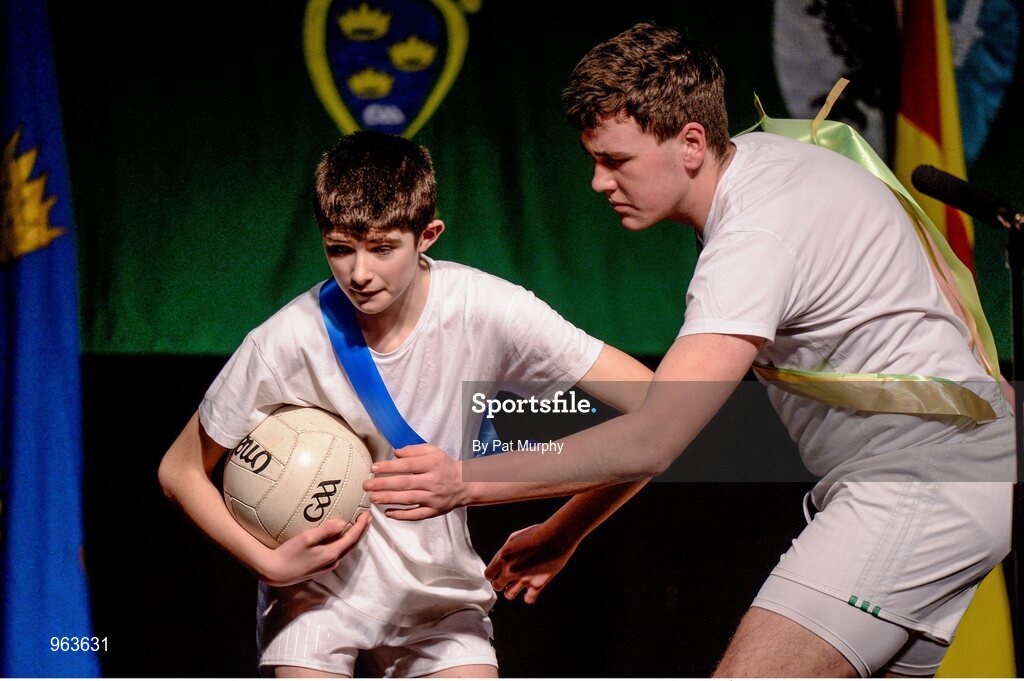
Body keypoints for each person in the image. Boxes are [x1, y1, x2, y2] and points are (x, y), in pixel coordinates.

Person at [366, 23, 1015, 677]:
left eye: (615, 160)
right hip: (955, 478)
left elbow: (654, 437)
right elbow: (666, 418)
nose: (597, 182)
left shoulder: (754, 235)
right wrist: (567, 527)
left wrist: (463, 479)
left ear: (693, 143)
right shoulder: (767, 165)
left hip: (919, 485)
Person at [157, 131, 653, 677]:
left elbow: (662, 415)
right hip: (314, 599)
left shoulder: (488, 310)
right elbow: (179, 470)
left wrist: (564, 532)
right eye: (340, 248)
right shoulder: (285, 342)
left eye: (382, 247)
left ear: (427, 235)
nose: (359, 273)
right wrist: (269, 564)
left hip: (439, 597)